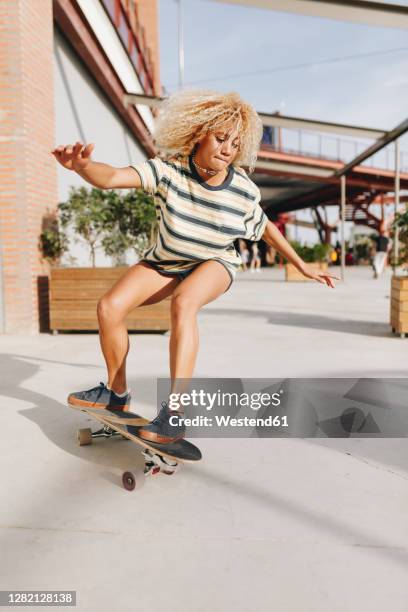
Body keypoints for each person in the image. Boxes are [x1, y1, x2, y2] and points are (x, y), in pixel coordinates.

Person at [51, 89, 340, 443]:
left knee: (184, 301)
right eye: (221, 138)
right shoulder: (167, 171)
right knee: (109, 307)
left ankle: (173, 411)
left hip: (215, 261)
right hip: (167, 260)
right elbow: (111, 177)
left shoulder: (243, 190)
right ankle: (118, 393)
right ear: (199, 133)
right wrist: (82, 167)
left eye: (235, 144)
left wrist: (302, 264)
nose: (227, 149)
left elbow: (264, 227)